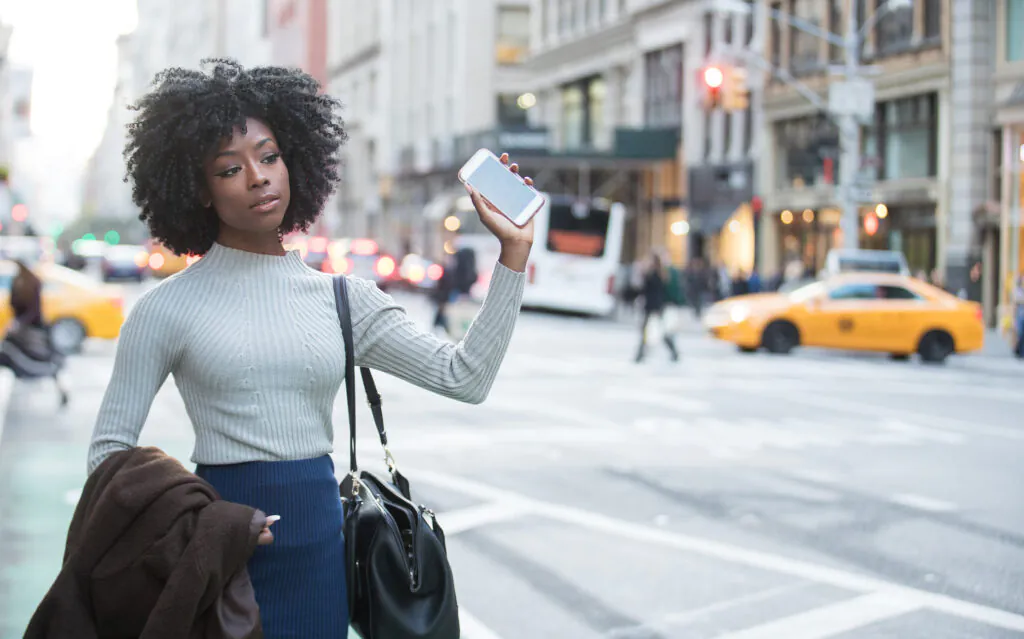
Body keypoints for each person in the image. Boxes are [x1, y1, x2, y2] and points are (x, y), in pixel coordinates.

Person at [85, 58, 534, 638]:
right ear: (197, 187)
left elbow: (464, 377)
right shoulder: (165, 308)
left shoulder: (342, 298)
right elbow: (108, 456)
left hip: (321, 552)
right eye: (230, 168)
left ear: (293, 159)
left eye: (269, 156)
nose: (258, 177)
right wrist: (200, 525)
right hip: (218, 558)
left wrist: (514, 255)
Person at [0, 260, 69, 405]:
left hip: (33, 329)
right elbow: (14, 306)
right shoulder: (16, 282)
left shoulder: (33, 282)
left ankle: (61, 390)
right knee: (8, 354)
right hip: (20, 330)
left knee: (46, 360)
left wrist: (20, 324)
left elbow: (34, 310)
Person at [635, 252, 679, 363]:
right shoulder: (661, 273)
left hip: (654, 305)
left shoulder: (654, 274)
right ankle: (641, 354)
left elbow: (645, 289)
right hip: (656, 305)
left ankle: (641, 354)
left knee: (652, 330)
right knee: (653, 330)